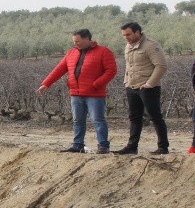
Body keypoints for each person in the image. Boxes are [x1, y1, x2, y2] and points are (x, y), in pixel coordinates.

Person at [37, 29, 117, 153]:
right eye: (74, 41)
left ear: (87, 39)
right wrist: (46, 84)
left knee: (97, 119)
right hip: (76, 93)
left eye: (78, 41)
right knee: (77, 120)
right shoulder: (71, 53)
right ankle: (77, 145)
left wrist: (96, 84)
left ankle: (103, 145)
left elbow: (111, 71)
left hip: (94, 94)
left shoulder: (104, 52)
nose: (75, 44)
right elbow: (59, 69)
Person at [114, 22, 169, 155]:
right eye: (124, 35)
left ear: (137, 32)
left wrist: (150, 83)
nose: (126, 37)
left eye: (128, 34)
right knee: (134, 117)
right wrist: (126, 80)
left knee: (155, 116)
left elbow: (161, 66)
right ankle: (132, 147)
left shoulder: (151, 45)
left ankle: (163, 147)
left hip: (148, 87)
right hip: (132, 86)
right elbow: (129, 64)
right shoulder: (128, 46)